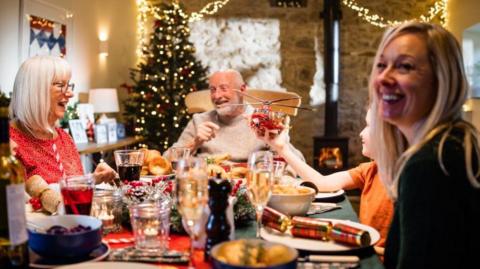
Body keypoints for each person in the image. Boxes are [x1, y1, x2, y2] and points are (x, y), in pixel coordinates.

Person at [369, 22, 480, 268]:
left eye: (404, 66)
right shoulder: (455, 142)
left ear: (441, 79)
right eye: (381, 65)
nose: (384, 78)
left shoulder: (430, 165)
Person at [258, 108, 393, 253]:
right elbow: (322, 183)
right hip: (364, 248)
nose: (361, 133)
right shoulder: (369, 170)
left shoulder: (404, 179)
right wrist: (282, 149)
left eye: (368, 125)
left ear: (387, 134)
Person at [9, 56, 116, 188]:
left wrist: (92, 179)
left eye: (69, 85)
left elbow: (74, 191)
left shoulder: (64, 139)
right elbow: (20, 200)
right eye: (60, 85)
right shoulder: (9, 144)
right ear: (36, 91)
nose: (70, 94)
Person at [170, 69, 304, 163]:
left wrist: (278, 146)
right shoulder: (199, 120)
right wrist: (194, 143)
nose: (217, 96)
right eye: (213, 90)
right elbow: (167, 161)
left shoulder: (263, 121)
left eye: (224, 88)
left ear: (243, 90)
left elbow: (297, 163)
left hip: (252, 188)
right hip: (208, 188)